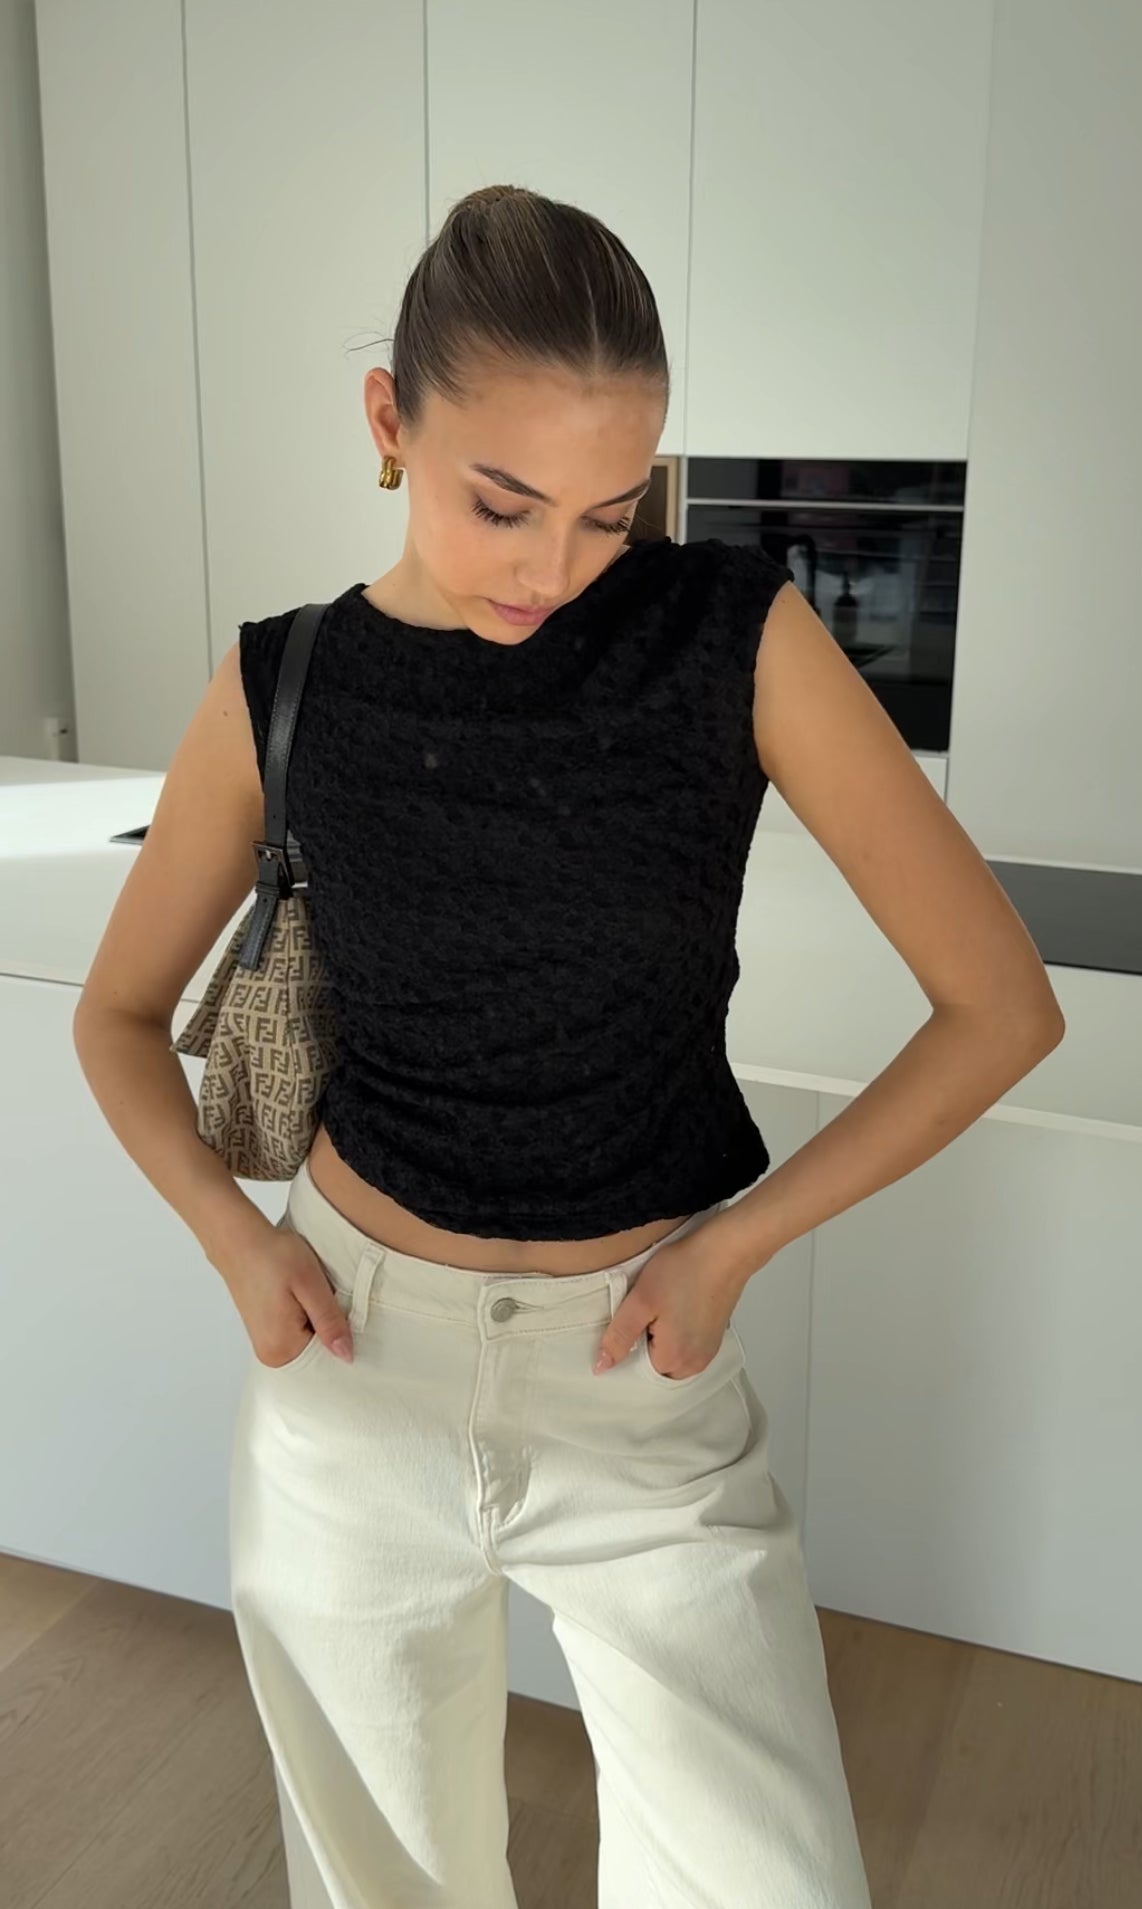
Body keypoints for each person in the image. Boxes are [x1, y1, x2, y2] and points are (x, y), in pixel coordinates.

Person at [76, 182, 1062, 1909]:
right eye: (502, 502)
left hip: (638, 1377)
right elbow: (116, 1016)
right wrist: (234, 1237)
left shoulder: (728, 636)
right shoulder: (282, 684)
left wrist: (733, 1245)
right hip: (351, 1370)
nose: (554, 569)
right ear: (388, 420)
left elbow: (999, 1004)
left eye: (611, 511)